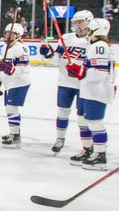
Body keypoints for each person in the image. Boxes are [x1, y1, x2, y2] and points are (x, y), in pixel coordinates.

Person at [64, 17, 115, 170]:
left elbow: (99, 72)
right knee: (82, 120)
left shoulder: (100, 46)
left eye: (89, 30)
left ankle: (100, 155)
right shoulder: (93, 45)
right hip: (87, 90)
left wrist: (80, 72)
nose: (87, 32)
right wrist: (79, 69)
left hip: (97, 91)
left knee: (95, 122)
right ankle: (88, 149)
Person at [40, 9, 93, 154]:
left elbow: (95, 65)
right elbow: (56, 59)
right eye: (75, 21)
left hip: (84, 84)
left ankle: (87, 146)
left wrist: (81, 69)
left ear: (88, 22)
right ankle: (60, 139)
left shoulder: (93, 41)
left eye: (80, 21)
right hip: (65, 82)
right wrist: (48, 54)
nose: (76, 24)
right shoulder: (66, 38)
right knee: (62, 111)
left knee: (83, 117)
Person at [0, 22, 30, 148]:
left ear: (18, 35)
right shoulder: (6, 48)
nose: (8, 36)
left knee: (11, 108)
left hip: (19, 82)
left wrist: (10, 70)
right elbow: (2, 69)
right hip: (9, 83)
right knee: (9, 109)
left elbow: (21, 69)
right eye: (7, 33)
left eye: (12, 34)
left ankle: (15, 136)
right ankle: (14, 133)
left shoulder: (21, 48)